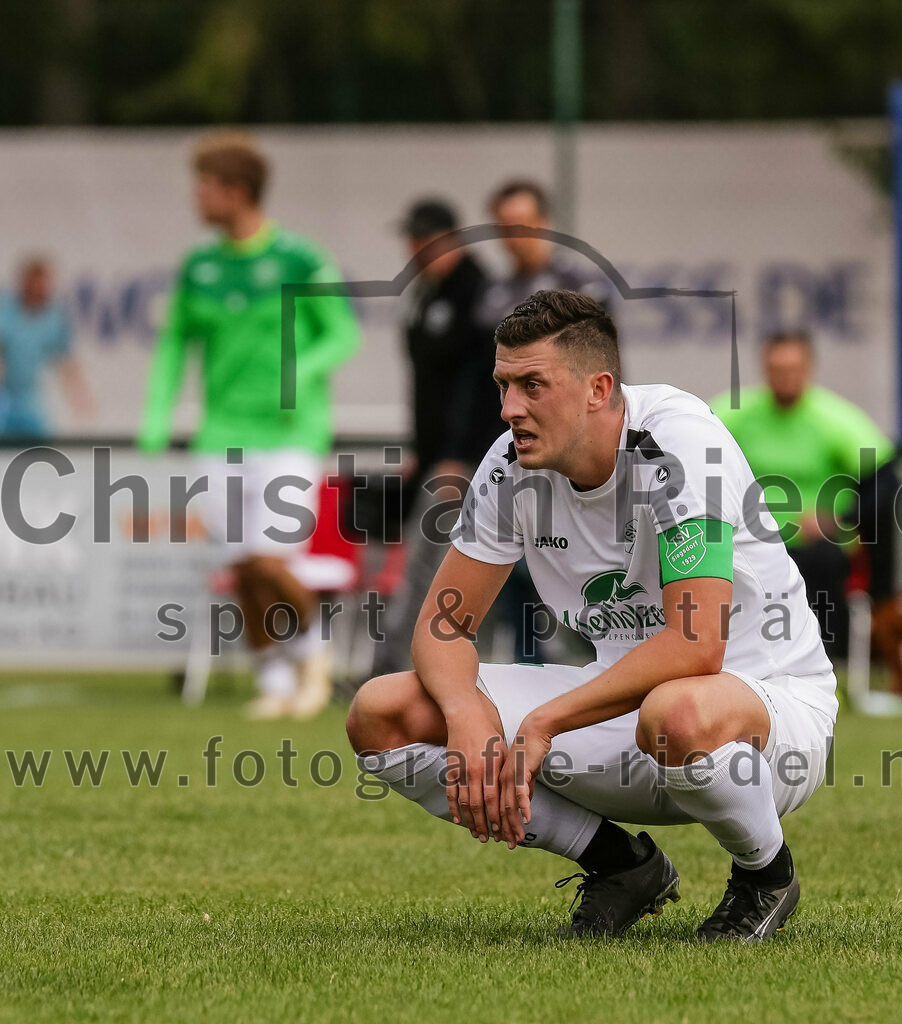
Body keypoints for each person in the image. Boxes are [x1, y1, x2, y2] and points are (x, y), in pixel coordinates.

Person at [347, 289, 837, 943]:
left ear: (597, 389)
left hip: (768, 724)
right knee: (383, 714)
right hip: (624, 712)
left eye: (532, 385)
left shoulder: (680, 443)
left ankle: (765, 876)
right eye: (504, 385)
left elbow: (696, 646)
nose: (510, 408)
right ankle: (620, 867)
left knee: (678, 711)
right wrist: (467, 716)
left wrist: (542, 723)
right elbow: (444, 626)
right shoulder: (508, 465)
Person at [138, 133, 360, 720]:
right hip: (220, 435)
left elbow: (342, 332)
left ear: (236, 192)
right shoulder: (199, 266)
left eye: (205, 185)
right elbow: (173, 346)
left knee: (270, 560)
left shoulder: (300, 258)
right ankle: (275, 677)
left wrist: (300, 368)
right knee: (240, 567)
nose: (197, 196)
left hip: (291, 434)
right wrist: (157, 415)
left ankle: (315, 655)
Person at [480, 180, 611, 662]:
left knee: (577, 563)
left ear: (546, 224)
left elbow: (606, 372)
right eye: (505, 226)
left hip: (574, 452)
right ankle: (526, 664)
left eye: (525, 224)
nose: (515, 235)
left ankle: (594, 661)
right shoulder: (491, 294)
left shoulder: (583, 289)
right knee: (514, 562)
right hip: (510, 447)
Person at [372, 199, 502, 677]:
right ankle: (404, 667)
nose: (415, 249)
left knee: (432, 568)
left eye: (424, 240)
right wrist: (421, 451)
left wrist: (456, 456)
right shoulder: (426, 293)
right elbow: (426, 389)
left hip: (464, 462)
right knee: (422, 565)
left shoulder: (478, 293)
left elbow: (479, 388)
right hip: (436, 458)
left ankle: (403, 669)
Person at [711, 330, 897, 658]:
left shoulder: (834, 418)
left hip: (816, 545)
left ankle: (827, 661)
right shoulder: (736, 413)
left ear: (808, 368)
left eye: (793, 368)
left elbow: (885, 479)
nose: (785, 377)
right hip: (750, 540)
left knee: (820, 562)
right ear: (765, 368)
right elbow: (696, 455)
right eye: (777, 369)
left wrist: (840, 519)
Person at [0, 257, 91, 439]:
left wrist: (80, 398)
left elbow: (65, 360)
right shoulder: (4, 310)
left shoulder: (53, 319)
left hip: (28, 398)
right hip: (4, 395)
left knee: (42, 445)